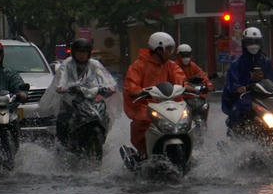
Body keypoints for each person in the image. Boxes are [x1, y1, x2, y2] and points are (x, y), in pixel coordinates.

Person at [121, 31, 187, 163]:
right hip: (146, 106)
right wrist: (137, 91)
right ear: (158, 49)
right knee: (141, 120)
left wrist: (187, 86)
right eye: (168, 49)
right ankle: (143, 153)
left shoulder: (171, 65)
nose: (171, 52)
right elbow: (131, 85)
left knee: (187, 117)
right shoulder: (138, 66)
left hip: (168, 105)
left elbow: (181, 78)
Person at [46, 38, 116, 144]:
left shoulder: (94, 64)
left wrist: (109, 87)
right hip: (71, 100)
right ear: (74, 53)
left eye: (85, 52)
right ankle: (62, 145)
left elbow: (106, 78)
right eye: (79, 52)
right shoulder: (67, 64)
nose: (82, 55)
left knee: (104, 116)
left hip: (91, 100)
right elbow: (61, 79)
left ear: (89, 53)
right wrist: (63, 87)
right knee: (63, 119)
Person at [221, 26, 273, 129]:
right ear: (244, 43)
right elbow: (232, 82)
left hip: (264, 97)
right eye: (250, 42)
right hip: (245, 97)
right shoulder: (237, 63)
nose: (253, 45)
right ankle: (240, 134)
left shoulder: (265, 61)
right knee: (240, 111)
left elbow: (272, 79)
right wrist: (240, 87)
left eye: (256, 41)